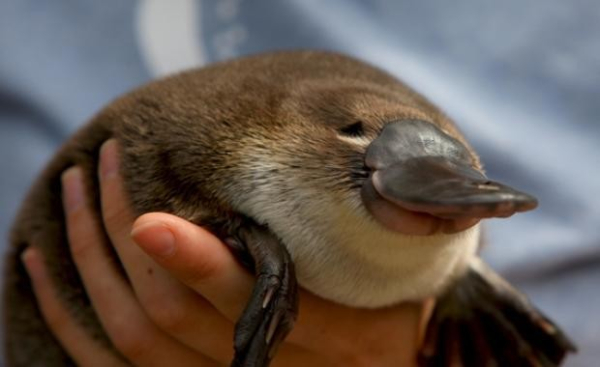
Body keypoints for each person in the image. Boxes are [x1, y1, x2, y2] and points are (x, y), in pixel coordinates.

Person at [2, 1, 599, 366]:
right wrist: (257, 253)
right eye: (357, 135)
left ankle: (461, 275)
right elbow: (169, 155)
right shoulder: (232, 151)